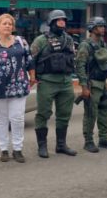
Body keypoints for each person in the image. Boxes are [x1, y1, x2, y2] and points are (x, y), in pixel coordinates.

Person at [0, 14, 35, 162]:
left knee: (17, 118)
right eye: (4, 24)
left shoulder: (21, 41)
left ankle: (18, 149)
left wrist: (33, 77)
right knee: (1, 119)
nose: (7, 26)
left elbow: (29, 60)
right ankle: (3, 149)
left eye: (10, 24)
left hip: (18, 85)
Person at [31, 10, 78, 158]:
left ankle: (61, 145)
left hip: (65, 82)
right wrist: (32, 77)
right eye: (58, 20)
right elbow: (31, 60)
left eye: (64, 20)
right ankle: (42, 146)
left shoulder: (69, 40)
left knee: (64, 114)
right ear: (51, 23)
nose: (62, 23)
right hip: (47, 81)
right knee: (43, 113)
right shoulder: (41, 40)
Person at [75, 17, 107, 153]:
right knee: (90, 113)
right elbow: (80, 66)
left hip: (103, 83)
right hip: (92, 83)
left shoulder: (102, 44)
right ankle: (88, 141)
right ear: (93, 28)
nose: (103, 29)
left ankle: (103, 139)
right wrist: (84, 86)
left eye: (103, 26)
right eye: (100, 26)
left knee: (103, 112)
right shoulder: (85, 45)